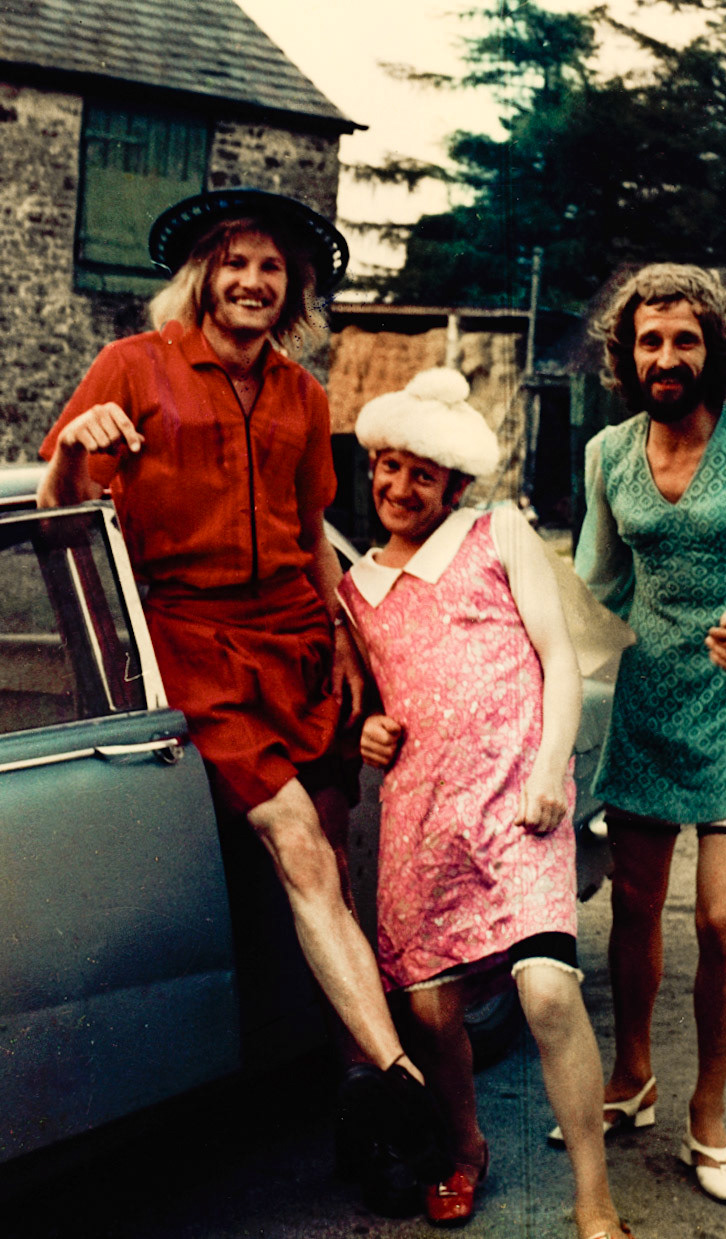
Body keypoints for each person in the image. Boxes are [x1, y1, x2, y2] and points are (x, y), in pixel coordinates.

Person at [37, 187, 447, 1191]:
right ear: (204, 277)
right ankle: (407, 1082)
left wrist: (348, 633)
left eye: (273, 268)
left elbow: (312, 535)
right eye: (238, 264)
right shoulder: (133, 367)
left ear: (291, 290)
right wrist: (77, 450)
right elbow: (58, 513)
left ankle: (365, 1113)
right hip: (194, 644)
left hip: (300, 645)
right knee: (301, 847)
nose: (255, 282)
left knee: (332, 870)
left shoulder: (305, 393)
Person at [337, 367, 637, 1239]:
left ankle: (593, 1199)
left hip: (519, 804)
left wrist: (551, 769)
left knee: (545, 992)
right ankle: (464, 1148)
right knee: (435, 1013)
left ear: (454, 484)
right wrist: (369, 733)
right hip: (424, 821)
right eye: (386, 468)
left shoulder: (495, 532)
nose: (398, 488)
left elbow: (557, 658)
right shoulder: (356, 589)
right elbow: (372, 704)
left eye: (420, 474)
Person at [558, 262, 726, 1204]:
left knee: (718, 916)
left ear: (712, 348)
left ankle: (707, 1115)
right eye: (648, 340)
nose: (665, 356)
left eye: (683, 339)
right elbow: (595, 585)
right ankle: (631, 1074)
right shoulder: (607, 454)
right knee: (631, 907)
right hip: (648, 702)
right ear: (626, 354)